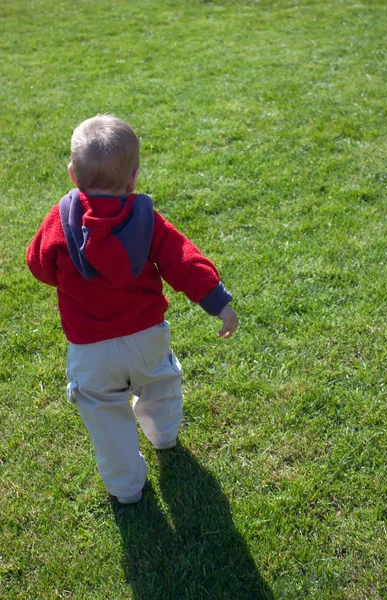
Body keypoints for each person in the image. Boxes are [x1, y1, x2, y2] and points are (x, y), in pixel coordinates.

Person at [26, 114, 239, 504]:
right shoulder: (146, 219)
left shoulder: (59, 221)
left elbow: (38, 263)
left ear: (73, 174)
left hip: (92, 350)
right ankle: (164, 435)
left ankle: (126, 490)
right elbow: (182, 260)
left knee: (106, 416)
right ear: (134, 177)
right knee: (159, 382)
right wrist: (218, 302)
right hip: (146, 337)